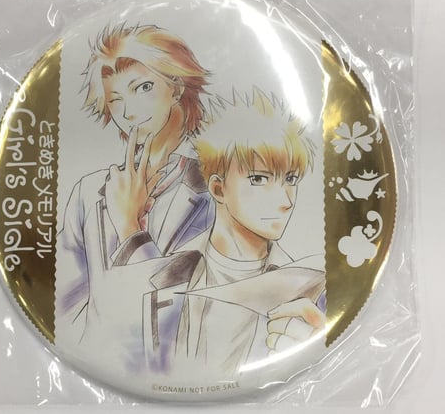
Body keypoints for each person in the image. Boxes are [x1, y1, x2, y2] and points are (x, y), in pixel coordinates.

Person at [141, 88, 326, 375]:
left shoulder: (310, 285)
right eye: (259, 179)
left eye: (291, 179)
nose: (285, 200)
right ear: (218, 188)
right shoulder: (166, 273)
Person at [55, 23, 215, 347]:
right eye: (115, 100)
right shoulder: (89, 192)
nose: (128, 112)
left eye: (143, 88)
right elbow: (65, 305)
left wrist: (130, 227)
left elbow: (202, 310)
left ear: (176, 87)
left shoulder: (216, 189)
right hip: (96, 359)